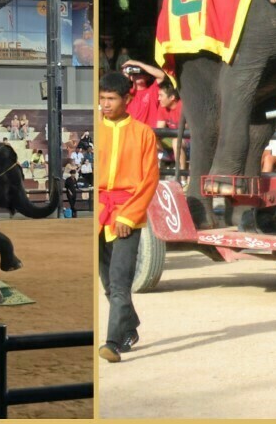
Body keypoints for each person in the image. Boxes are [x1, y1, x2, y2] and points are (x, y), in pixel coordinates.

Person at [97, 71, 159, 363]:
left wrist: (128, 217)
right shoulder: (96, 129)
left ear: (127, 99)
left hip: (127, 215)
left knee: (119, 282)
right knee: (107, 283)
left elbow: (149, 181)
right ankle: (130, 327)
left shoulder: (144, 133)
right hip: (99, 214)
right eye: (102, 99)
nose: (105, 105)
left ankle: (113, 342)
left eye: (111, 99)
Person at [120, 59, 166, 128]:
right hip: (131, 131)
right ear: (131, 77)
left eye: (141, 73)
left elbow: (162, 75)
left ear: (147, 77)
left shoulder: (152, 91)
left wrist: (138, 64)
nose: (138, 76)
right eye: (135, 74)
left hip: (148, 132)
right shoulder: (127, 93)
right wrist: (124, 76)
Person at [155, 81, 185, 169]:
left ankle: (181, 178)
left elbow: (189, 128)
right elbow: (159, 129)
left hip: (188, 141)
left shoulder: (183, 106)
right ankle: (157, 174)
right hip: (172, 139)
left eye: (161, 95)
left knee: (176, 142)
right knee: (151, 139)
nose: (158, 99)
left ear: (172, 97)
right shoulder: (162, 107)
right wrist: (156, 140)